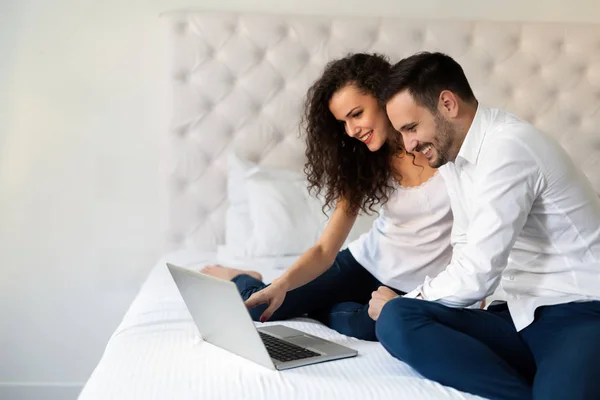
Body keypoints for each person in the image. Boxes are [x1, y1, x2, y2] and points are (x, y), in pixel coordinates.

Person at [369, 51, 600, 400]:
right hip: (516, 315)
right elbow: (464, 246)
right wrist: (403, 307)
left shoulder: (509, 147)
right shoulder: (451, 159)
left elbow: (477, 275)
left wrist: (407, 298)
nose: (408, 145)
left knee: (397, 309)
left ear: (447, 104)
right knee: (398, 320)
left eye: (411, 127)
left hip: (579, 313)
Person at [200, 53, 455, 341]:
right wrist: (283, 283)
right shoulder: (365, 162)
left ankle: (318, 307)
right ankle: (244, 276)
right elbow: (324, 250)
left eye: (356, 114)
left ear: (384, 96)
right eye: (343, 122)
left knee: (373, 327)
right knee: (259, 306)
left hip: (409, 288)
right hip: (363, 263)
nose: (352, 130)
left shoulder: (445, 150)